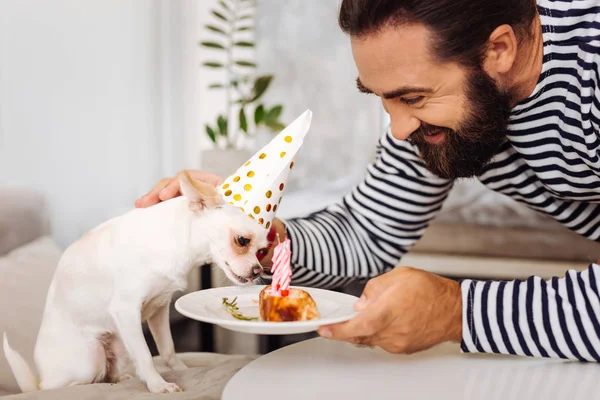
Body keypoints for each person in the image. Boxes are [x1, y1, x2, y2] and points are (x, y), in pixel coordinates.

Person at [137, 0, 600, 361]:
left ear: (499, 49)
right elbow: (368, 233)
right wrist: (252, 233)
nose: (398, 130)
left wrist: (457, 312)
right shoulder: (421, 113)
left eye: (414, 97)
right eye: (382, 99)